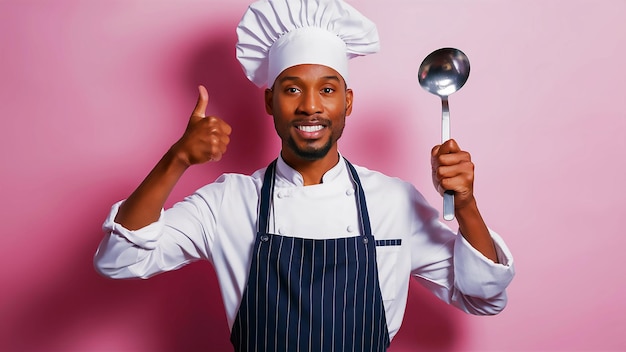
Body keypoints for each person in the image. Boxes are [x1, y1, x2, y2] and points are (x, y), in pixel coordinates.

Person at [94, 0, 515, 351]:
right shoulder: (229, 202)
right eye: (292, 89)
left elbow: (484, 296)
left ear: (347, 102)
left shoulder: (392, 201)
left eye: (327, 90)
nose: (310, 106)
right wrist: (177, 159)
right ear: (269, 101)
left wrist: (466, 206)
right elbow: (120, 259)